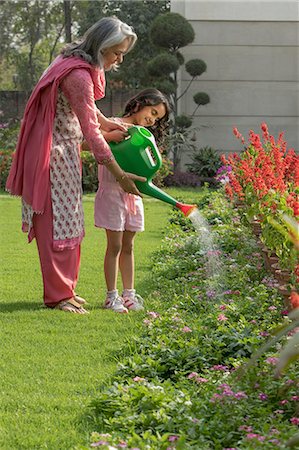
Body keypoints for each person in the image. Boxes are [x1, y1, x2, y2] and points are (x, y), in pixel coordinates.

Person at [6, 16, 145, 314]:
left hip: (63, 151)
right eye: (116, 53)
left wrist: (111, 122)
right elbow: (91, 131)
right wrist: (119, 175)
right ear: (101, 47)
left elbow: (89, 109)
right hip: (52, 155)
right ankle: (58, 295)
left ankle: (66, 289)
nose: (118, 60)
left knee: (69, 219)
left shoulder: (73, 63)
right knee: (58, 223)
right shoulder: (78, 75)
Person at [94, 88, 170, 313]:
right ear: (140, 103)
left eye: (157, 118)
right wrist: (108, 136)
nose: (152, 119)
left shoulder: (144, 136)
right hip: (111, 193)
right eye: (153, 112)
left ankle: (129, 294)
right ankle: (111, 297)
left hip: (132, 197)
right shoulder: (112, 124)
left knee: (128, 246)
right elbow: (88, 143)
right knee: (115, 246)